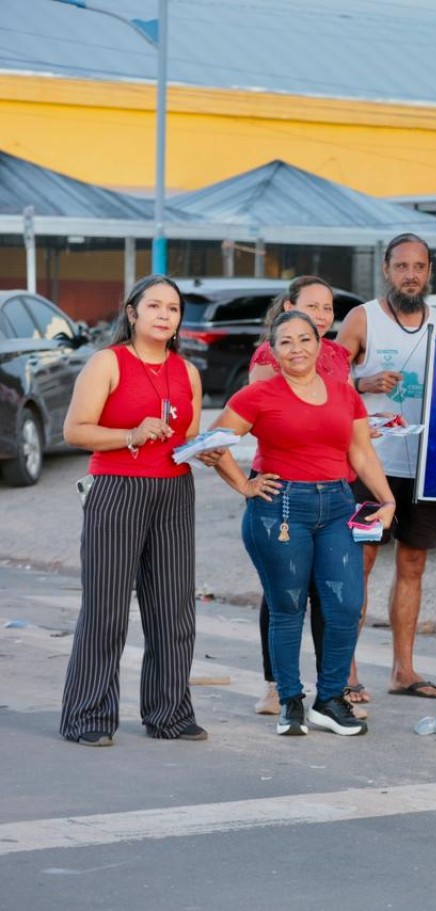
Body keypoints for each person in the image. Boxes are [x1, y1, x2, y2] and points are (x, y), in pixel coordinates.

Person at [209, 310, 397, 736]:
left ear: (320, 343)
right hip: (281, 509)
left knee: (346, 605)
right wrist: (244, 485)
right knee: (288, 607)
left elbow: (362, 454)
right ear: (273, 352)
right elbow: (212, 445)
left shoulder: (344, 393)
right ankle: (290, 700)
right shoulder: (257, 395)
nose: (296, 349)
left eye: (304, 339)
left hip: (336, 505)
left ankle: (329, 700)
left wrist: (386, 500)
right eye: (286, 342)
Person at [60, 275, 207, 746]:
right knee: (106, 611)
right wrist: (129, 435)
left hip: (174, 492)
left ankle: (170, 714)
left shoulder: (187, 372)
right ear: (132, 312)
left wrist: (205, 449)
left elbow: (187, 437)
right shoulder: (108, 362)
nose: (165, 316)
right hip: (117, 489)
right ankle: (88, 716)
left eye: (173, 309)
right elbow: (75, 431)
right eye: (155, 307)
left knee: (174, 610)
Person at [335, 233, 436, 700]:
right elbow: (324, 377)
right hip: (371, 466)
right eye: (402, 266)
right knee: (359, 565)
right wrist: (362, 383)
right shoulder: (362, 318)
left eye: (419, 267)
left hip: (425, 466)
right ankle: (344, 673)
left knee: (413, 563)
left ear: (429, 273)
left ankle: (403, 671)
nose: (411, 275)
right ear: (386, 270)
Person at [243, 277, 356, 716]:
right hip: (282, 485)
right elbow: (259, 410)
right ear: (289, 306)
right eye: (313, 306)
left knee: (333, 594)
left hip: (336, 483)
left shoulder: (339, 355)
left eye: (329, 308)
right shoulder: (268, 355)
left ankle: (333, 691)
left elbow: (343, 411)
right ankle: (277, 686)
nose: (323, 315)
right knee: (285, 594)